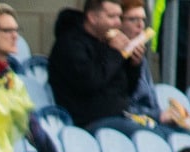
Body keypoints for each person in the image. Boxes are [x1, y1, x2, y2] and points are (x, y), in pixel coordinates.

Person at [0, 3, 66, 152]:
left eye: (16, 30)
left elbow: (31, 124)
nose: (15, 36)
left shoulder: (11, 80)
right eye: (7, 31)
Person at [47, 0, 144, 136]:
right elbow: (90, 82)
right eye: (111, 17)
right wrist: (115, 54)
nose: (118, 23)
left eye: (119, 17)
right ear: (92, 18)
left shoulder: (107, 42)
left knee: (162, 133)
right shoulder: (71, 44)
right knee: (142, 135)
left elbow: (126, 90)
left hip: (120, 116)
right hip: (86, 122)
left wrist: (134, 65)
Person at [119, 0, 190, 133]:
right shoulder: (112, 58)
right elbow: (123, 106)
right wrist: (158, 116)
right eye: (133, 19)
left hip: (150, 121)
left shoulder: (141, 60)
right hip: (131, 123)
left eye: (143, 19)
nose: (140, 25)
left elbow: (150, 101)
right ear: (118, 24)